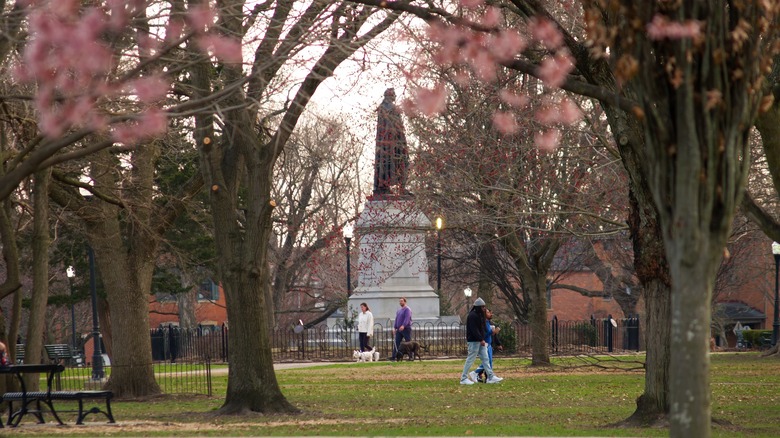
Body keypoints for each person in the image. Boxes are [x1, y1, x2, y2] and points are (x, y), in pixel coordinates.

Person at [460, 298, 502, 385]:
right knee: (470, 359)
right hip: (473, 341)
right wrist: (481, 339)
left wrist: (483, 338)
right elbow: (474, 330)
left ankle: (490, 376)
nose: (484, 308)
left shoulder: (479, 316)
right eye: (482, 307)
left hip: (480, 341)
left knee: (486, 359)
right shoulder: (472, 316)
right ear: (478, 307)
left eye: (484, 307)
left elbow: (483, 329)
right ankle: (463, 378)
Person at [472, 308, 503, 383]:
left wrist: (495, 337)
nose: (490, 314)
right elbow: (484, 335)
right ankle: (476, 372)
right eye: (488, 312)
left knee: (489, 361)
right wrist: (493, 332)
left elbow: (491, 334)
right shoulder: (483, 323)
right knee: (487, 361)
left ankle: (489, 377)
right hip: (485, 344)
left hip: (489, 344)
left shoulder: (488, 322)